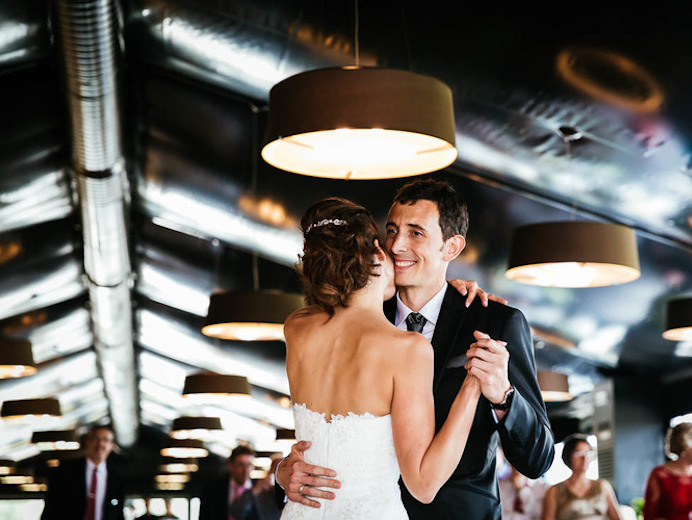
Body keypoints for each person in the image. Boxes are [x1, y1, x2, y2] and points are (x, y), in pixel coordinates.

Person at [276, 179, 555, 519]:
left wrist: (503, 395)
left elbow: (538, 461)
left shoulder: (496, 323)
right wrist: (284, 470)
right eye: (391, 231)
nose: (396, 246)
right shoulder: (342, 316)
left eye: (416, 233)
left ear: (451, 247)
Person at [278, 196, 482, 518]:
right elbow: (423, 485)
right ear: (377, 253)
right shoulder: (406, 349)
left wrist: (281, 471)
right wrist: (472, 387)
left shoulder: (297, 328)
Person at [41, 424, 126, 520]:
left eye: (105, 440)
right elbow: (50, 508)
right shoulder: (66, 471)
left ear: (112, 445)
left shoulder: (116, 479)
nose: (100, 444)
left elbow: (118, 513)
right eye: (96, 439)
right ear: (87, 441)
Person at [541, 434, 621, 520]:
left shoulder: (603, 486)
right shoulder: (555, 491)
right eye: (579, 453)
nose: (585, 457)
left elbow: (617, 518)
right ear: (568, 456)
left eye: (588, 453)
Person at [199, 444, 278, 520]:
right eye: (241, 465)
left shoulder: (262, 489)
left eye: (249, 465)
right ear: (231, 466)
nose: (246, 470)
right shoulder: (213, 488)